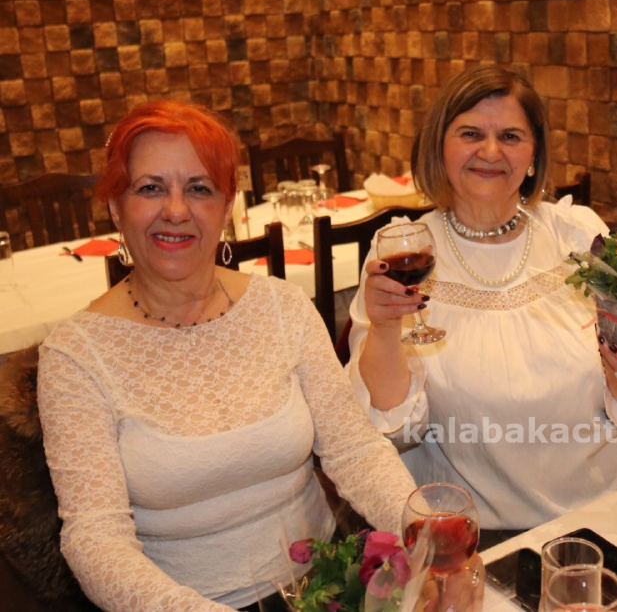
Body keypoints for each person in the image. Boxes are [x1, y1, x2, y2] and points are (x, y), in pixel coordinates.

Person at [36, 101, 418, 611]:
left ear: (227, 206)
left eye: (199, 188)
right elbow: (94, 537)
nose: (176, 210)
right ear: (115, 208)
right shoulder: (75, 355)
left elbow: (354, 451)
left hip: (326, 586)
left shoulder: (283, 306)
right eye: (150, 188)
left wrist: (426, 535)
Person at [346, 65, 617, 537]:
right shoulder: (405, 250)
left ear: (533, 154)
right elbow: (393, 429)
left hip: (613, 512)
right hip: (481, 535)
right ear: (438, 145)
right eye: (470, 134)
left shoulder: (577, 234)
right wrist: (384, 328)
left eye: (509, 136)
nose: (490, 151)